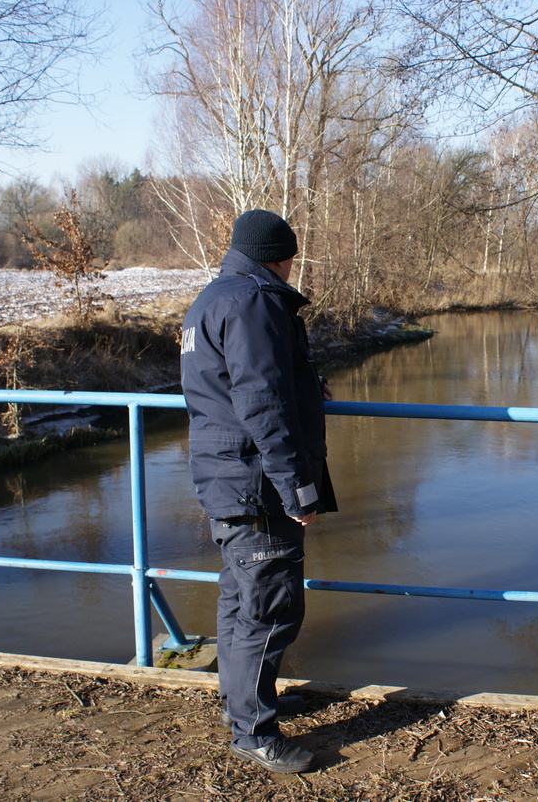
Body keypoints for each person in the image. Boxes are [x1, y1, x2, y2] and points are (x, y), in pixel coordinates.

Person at [179, 209, 335, 774]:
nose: (294, 269)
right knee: (271, 608)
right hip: (256, 482)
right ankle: (253, 732)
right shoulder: (256, 301)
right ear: (279, 255)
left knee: (240, 599)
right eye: (292, 258)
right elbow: (262, 403)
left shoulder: (212, 299)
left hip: (224, 474)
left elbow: (236, 383)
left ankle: (242, 702)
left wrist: (308, 385)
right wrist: (298, 485)